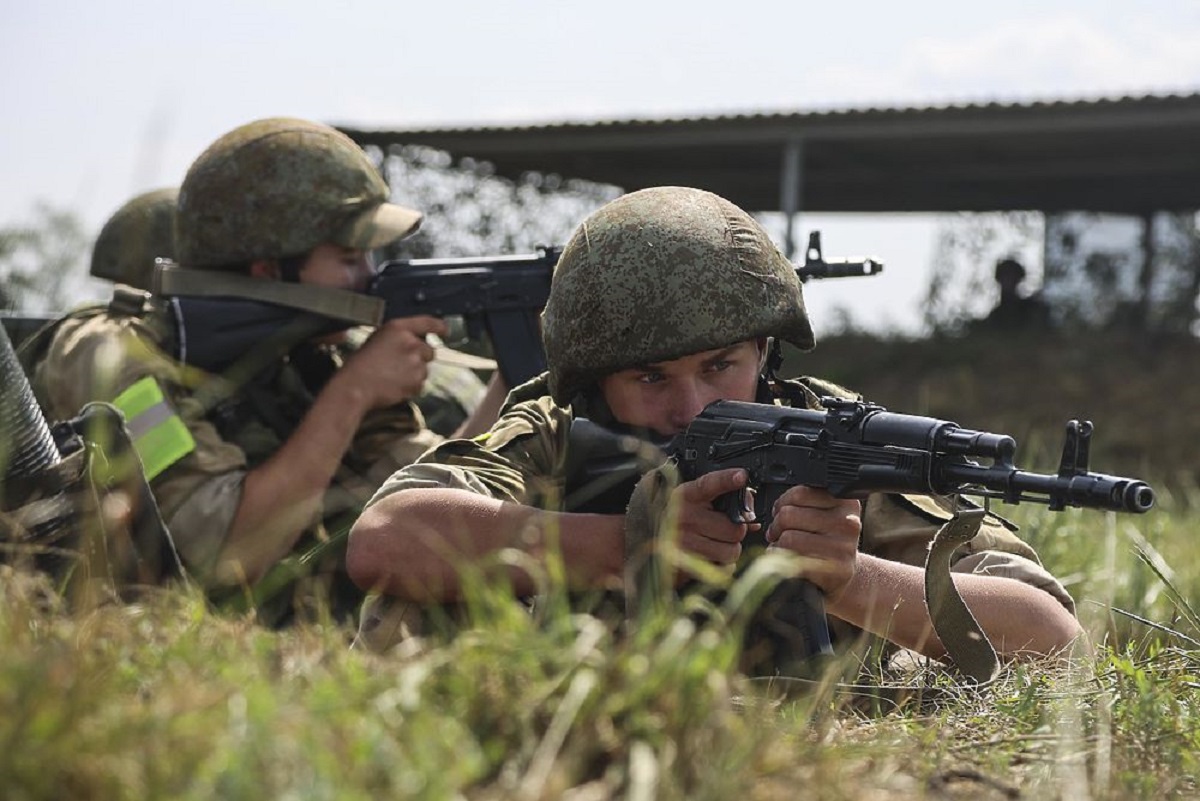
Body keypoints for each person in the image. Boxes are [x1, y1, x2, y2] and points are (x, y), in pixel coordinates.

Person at [346, 186, 1081, 673]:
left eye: (720, 364)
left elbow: (1054, 639)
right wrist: (629, 541)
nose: (691, 407)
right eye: (650, 377)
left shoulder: (826, 438)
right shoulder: (558, 428)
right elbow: (384, 538)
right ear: (596, 382)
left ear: (766, 351)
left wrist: (849, 579)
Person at [30, 117, 505, 625]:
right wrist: (354, 391)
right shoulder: (112, 357)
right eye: (348, 259)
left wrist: (513, 380)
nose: (370, 278)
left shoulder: (305, 355)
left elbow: (428, 493)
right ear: (267, 270)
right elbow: (225, 557)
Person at [978, 258, 1053, 332]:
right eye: (1005, 276)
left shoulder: (1031, 310)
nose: (1008, 281)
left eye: (1011, 277)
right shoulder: (995, 317)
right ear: (998, 279)